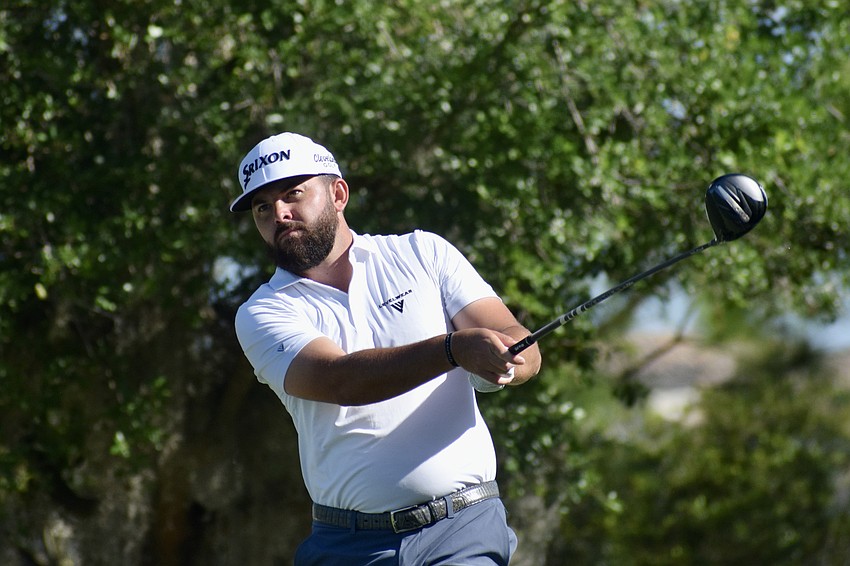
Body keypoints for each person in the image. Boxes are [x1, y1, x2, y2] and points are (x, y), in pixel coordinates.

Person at [230, 132, 542, 565]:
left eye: (292, 195)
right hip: (347, 544)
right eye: (263, 207)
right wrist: (454, 350)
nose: (279, 213)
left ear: (338, 194)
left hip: (463, 528)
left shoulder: (423, 253)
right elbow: (341, 381)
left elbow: (511, 334)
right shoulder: (262, 311)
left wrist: (510, 360)